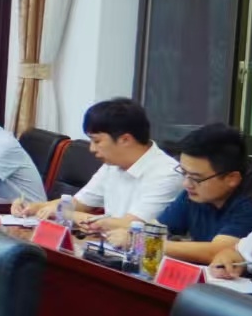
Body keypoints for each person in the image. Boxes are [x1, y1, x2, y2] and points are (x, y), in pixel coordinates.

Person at [13, 98, 180, 238]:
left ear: (125, 140)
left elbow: (133, 226)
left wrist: (68, 214)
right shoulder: (112, 164)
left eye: (97, 141)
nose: (92, 149)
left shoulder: (167, 174)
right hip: (108, 248)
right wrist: (36, 207)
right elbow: (79, 203)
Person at [154, 124, 252, 264]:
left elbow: (217, 252)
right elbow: (155, 229)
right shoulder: (194, 194)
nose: (186, 183)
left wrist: (152, 244)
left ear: (232, 179)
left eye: (196, 178)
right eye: (184, 172)